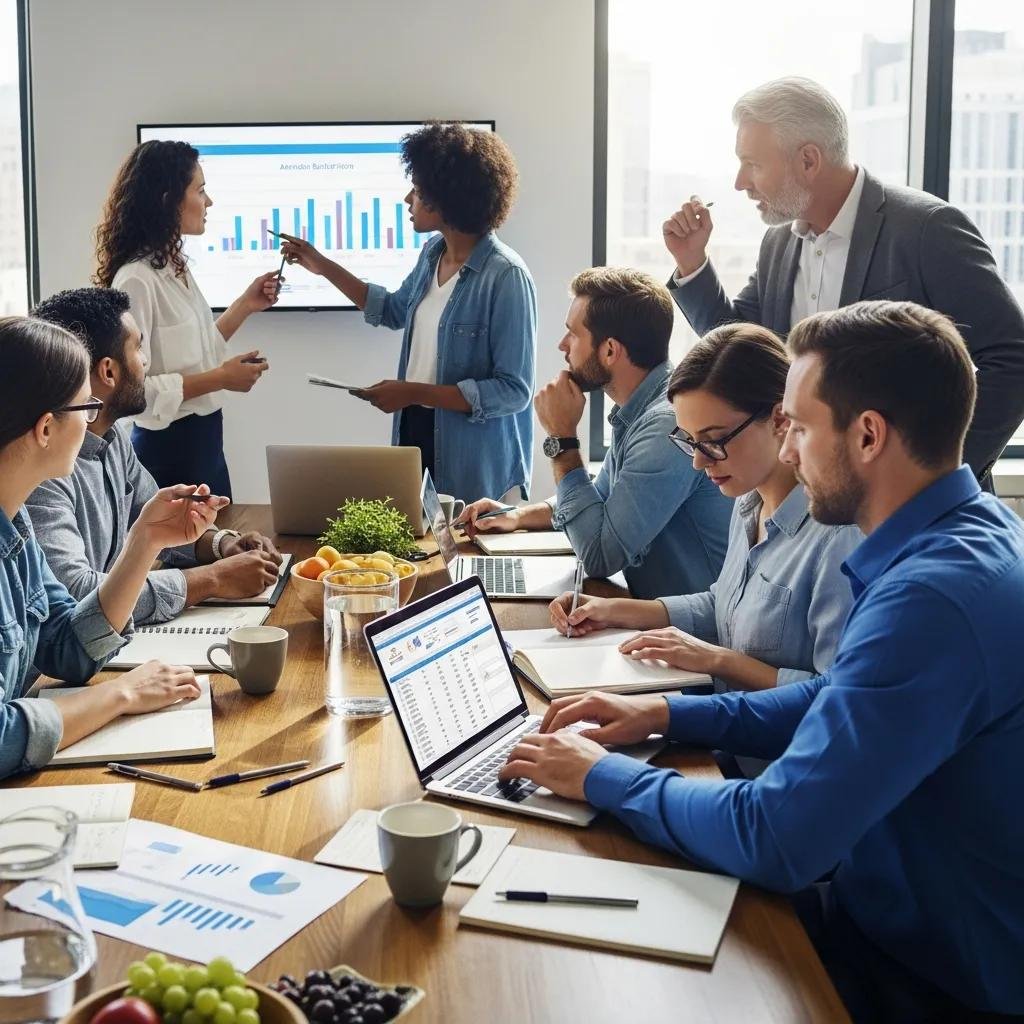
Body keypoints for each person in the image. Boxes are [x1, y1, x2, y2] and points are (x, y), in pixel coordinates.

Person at [499, 300, 1024, 1022]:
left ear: (868, 435)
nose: (792, 449)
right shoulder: (972, 534)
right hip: (899, 928)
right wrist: (664, 712)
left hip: (923, 977)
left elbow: (775, 836)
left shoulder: (932, 597)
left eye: (801, 427)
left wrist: (599, 776)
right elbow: (839, 697)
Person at [663, 76, 1024, 486]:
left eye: (753, 164)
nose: (740, 182)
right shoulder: (778, 241)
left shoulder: (927, 229)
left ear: (809, 160)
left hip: (915, 511)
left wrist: (936, 473)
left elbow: (1013, 358)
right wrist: (691, 262)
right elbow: (743, 357)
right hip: (812, 507)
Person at [547, 323, 860, 715]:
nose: (697, 461)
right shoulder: (748, 501)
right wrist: (615, 611)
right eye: (691, 441)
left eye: (714, 441)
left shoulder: (839, 539)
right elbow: (725, 606)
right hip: (725, 727)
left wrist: (717, 660)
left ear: (780, 419)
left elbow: (837, 698)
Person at [0, 316, 227, 781]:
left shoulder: (15, 520)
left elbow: (67, 646)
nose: (91, 423)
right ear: (46, 428)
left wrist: (145, 542)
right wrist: (121, 694)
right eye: (85, 409)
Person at [279, 123, 536, 502]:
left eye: (416, 191)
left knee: (460, 558)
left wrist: (413, 392)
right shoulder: (433, 254)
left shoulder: (506, 276)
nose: (407, 200)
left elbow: (514, 392)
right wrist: (322, 265)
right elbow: (394, 310)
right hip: (416, 432)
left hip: (473, 460)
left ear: (445, 199)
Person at [459, 268, 732, 600]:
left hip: (692, 635)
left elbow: (600, 556)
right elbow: (600, 498)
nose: (562, 346)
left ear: (610, 351)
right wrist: (515, 517)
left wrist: (562, 439)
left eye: (572, 334)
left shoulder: (666, 426)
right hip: (651, 617)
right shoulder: (640, 408)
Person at [26, 288, 282, 625]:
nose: (146, 361)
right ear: (108, 372)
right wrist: (212, 579)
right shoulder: (42, 470)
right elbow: (78, 592)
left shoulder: (114, 437)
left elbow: (157, 528)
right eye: (138, 347)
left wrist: (221, 544)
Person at [95, 139, 281, 499]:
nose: (209, 202)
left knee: (223, 546)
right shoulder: (136, 278)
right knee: (188, 554)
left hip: (206, 444)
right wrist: (221, 378)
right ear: (168, 200)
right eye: (201, 190)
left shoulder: (174, 268)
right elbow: (132, 392)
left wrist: (245, 304)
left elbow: (197, 350)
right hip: (168, 454)